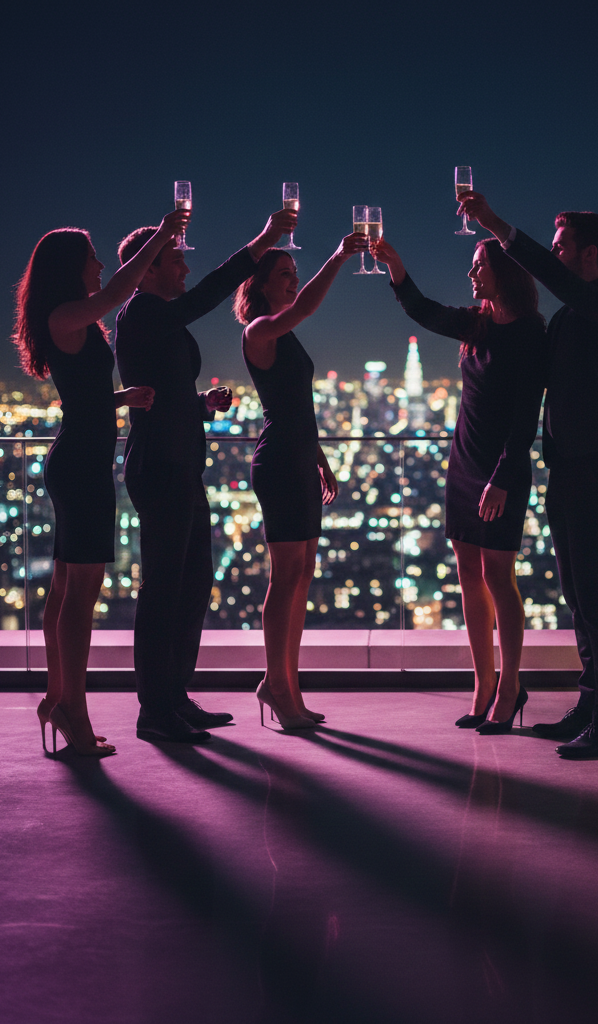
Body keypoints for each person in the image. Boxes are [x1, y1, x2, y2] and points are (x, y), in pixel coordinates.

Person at [459, 192, 598, 759]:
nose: (552, 254)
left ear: (588, 254)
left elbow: (568, 292)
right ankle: (590, 706)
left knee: (595, 593)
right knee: (578, 594)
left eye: (559, 246)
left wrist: (497, 227)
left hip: (597, 462)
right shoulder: (564, 315)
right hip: (569, 463)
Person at [116, 208, 296, 744]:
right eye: (175, 259)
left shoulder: (157, 317)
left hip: (181, 465)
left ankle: (174, 696)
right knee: (164, 590)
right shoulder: (142, 311)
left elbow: (163, 390)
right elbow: (208, 294)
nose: (184, 269)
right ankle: (155, 709)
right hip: (161, 467)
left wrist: (199, 403)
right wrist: (261, 242)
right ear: (146, 269)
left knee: (192, 585)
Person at [12, 211, 188, 756]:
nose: (100, 264)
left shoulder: (74, 321)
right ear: (70, 268)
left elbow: (80, 394)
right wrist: (161, 235)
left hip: (81, 461)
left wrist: (120, 398)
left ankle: (57, 697)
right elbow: (117, 289)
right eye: (90, 257)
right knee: (80, 594)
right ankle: (72, 711)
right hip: (82, 468)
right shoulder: (68, 314)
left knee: (66, 587)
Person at [371, 236, 546, 733]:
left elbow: (525, 417)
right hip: (464, 464)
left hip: (501, 471)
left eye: (479, 266)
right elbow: (423, 311)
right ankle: (483, 683)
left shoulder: (531, 333)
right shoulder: (476, 323)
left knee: (499, 576)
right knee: (468, 571)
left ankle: (511, 684)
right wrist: (397, 265)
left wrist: (504, 479)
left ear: (504, 272)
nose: (471, 274)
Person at [234, 233, 367, 730]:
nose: (293, 282)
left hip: (299, 459)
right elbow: (305, 309)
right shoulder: (260, 331)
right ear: (262, 285)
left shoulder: (282, 334)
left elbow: (298, 407)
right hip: (278, 466)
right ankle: (276, 683)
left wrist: (320, 457)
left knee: (303, 573)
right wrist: (336, 257)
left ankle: (287, 684)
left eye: (295, 274)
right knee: (285, 575)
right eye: (285, 275)